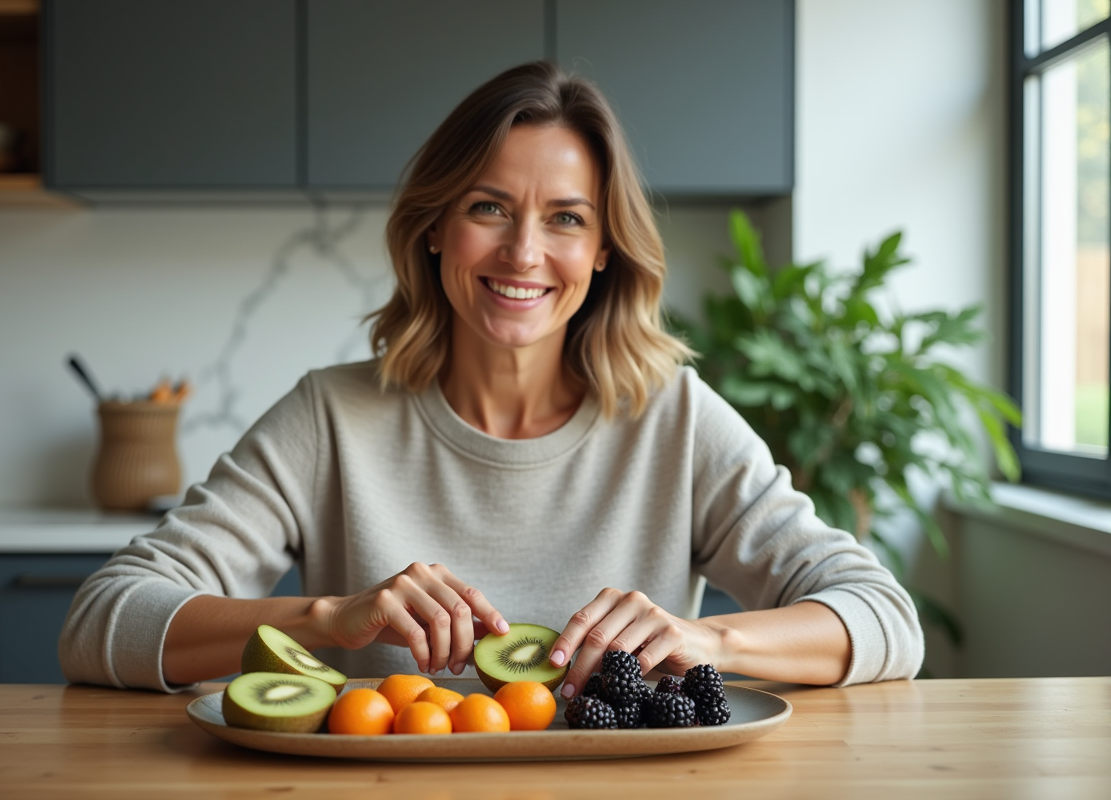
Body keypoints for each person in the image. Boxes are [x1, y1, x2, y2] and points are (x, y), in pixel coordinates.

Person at [59, 61, 923, 697]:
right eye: (488, 208)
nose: (523, 253)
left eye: (566, 220)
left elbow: (885, 618)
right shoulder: (331, 418)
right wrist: (321, 621)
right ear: (435, 227)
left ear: (602, 252)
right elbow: (100, 622)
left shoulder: (675, 421)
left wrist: (704, 637)